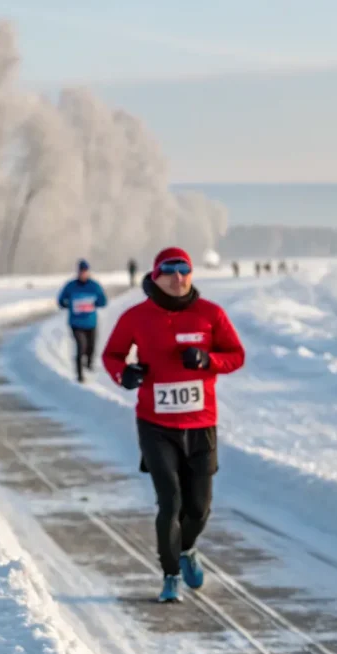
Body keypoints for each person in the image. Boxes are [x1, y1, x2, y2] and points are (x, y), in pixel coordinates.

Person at [101, 247, 246, 603]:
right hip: (156, 424)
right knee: (170, 501)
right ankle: (170, 576)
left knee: (198, 508)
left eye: (184, 270)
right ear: (155, 276)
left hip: (201, 424)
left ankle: (186, 549)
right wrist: (125, 374)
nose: (178, 278)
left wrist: (208, 360)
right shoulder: (136, 316)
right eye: (169, 271)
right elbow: (112, 355)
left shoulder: (210, 314)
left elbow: (236, 355)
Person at [57, 259, 108, 383]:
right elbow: (61, 300)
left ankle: (89, 365)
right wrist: (67, 304)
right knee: (81, 346)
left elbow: (103, 301)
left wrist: (94, 303)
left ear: (88, 272)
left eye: (85, 271)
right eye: (81, 271)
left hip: (91, 323)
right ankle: (79, 375)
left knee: (91, 348)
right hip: (76, 323)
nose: (83, 274)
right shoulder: (71, 286)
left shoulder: (94, 286)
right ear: (78, 272)